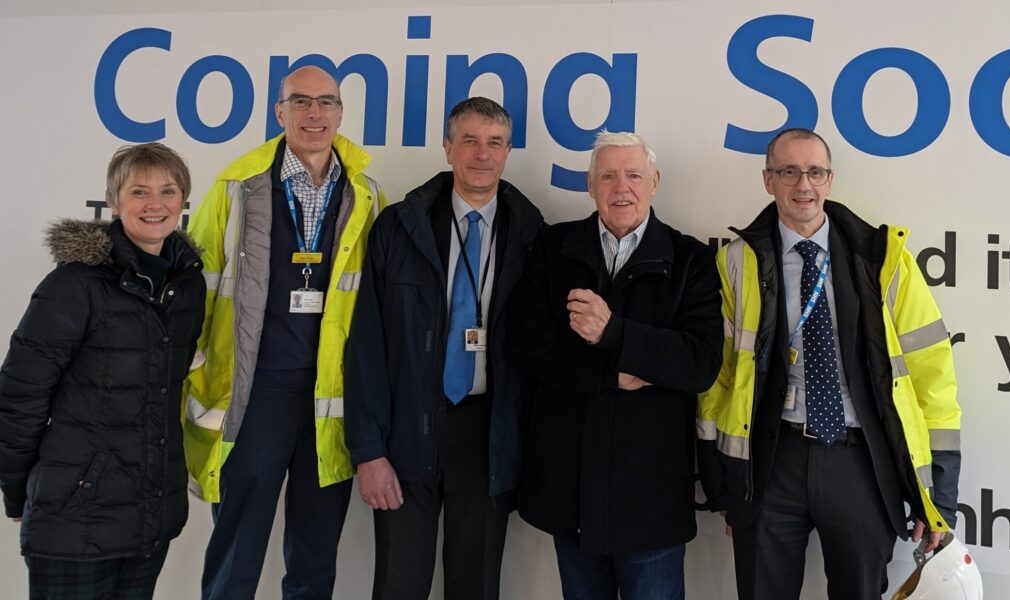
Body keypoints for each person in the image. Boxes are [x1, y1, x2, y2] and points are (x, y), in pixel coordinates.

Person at [697, 127, 963, 599]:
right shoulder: (738, 261)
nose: (804, 185)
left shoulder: (882, 260)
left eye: (815, 172)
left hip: (859, 462)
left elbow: (932, 377)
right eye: (789, 171)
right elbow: (720, 378)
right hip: (771, 464)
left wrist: (936, 496)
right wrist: (722, 483)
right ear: (768, 180)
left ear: (831, 180)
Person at [186, 65, 385, 599]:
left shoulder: (367, 194)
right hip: (253, 396)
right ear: (279, 112)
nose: (314, 114)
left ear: (341, 113)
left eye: (326, 102)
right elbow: (194, 287)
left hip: (330, 400)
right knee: (236, 552)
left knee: (315, 558)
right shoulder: (237, 185)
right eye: (300, 102)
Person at [345, 97, 544, 600]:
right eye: (470, 141)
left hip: (487, 436)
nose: (482, 154)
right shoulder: (398, 227)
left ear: (508, 151)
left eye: (494, 143)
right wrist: (368, 451)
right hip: (408, 430)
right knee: (398, 585)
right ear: (447, 147)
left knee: (475, 586)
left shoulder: (531, 234)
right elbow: (366, 345)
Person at [508, 131, 722, 599]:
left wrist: (614, 334)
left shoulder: (692, 261)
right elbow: (526, 342)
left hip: (651, 501)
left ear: (654, 182)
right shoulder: (553, 247)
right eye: (607, 176)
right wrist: (609, 373)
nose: (620, 187)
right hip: (570, 494)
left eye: (633, 175)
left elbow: (699, 362)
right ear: (590, 185)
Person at [0, 143, 204, 599]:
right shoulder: (75, 284)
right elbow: (20, 393)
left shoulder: (187, 285)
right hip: (75, 517)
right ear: (115, 202)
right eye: (139, 192)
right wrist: (17, 488)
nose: (156, 205)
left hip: (150, 519)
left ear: (183, 200)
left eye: (168, 191)